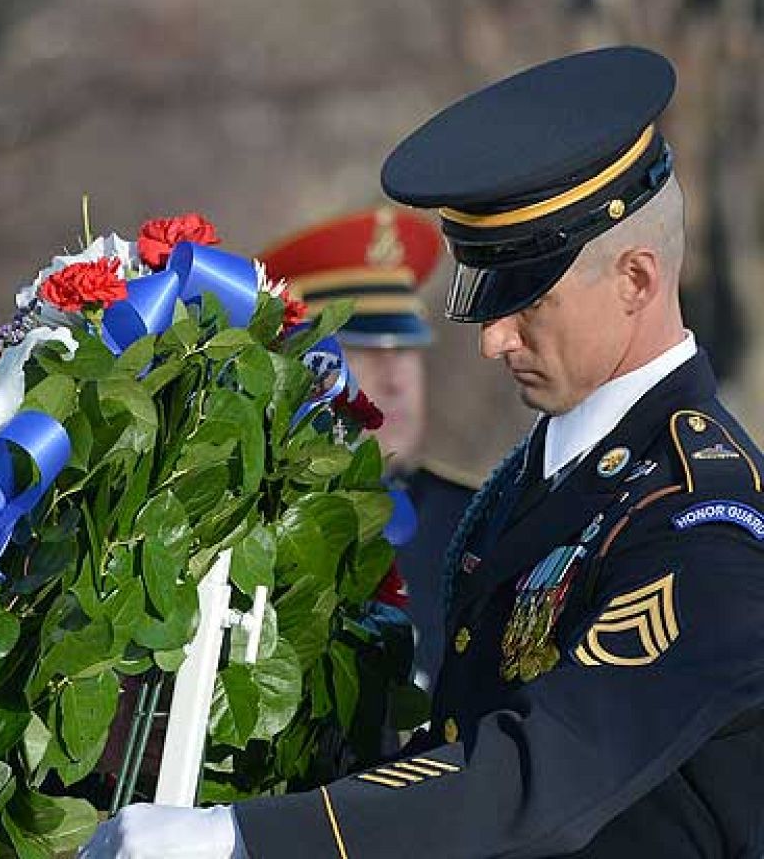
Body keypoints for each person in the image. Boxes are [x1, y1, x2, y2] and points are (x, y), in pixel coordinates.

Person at [84, 46, 764, 858]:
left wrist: (244, 837)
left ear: (637, 280)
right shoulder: (541, 473)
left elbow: (531, 774)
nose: (495, 340)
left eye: (530, 304)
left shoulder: (705, 522)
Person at [261, 207, 479, 688]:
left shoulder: (474, 528)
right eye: (365, 352)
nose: (397, 380)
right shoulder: (249, 519)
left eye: (405, 351)